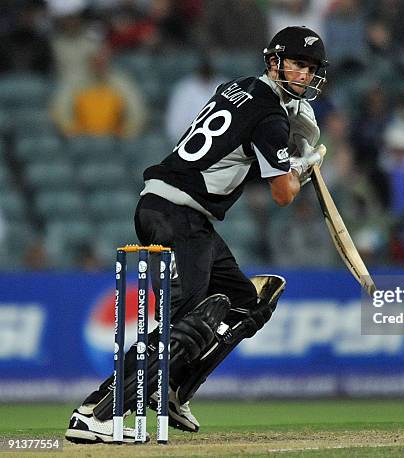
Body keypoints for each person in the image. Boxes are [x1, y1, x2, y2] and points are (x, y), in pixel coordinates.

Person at [65, 25, 328, 444]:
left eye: (310, 68)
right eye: (297, 64)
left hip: (180, 212)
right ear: (273, 62)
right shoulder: (271, 117)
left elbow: (241, 131)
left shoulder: (237, 88)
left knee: (246, 302)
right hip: (176, 214)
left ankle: (172, 389)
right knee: (185, 318)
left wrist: (288, 138)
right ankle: (96, 410)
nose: (303, 75)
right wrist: (304, 164)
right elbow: (282, 194)